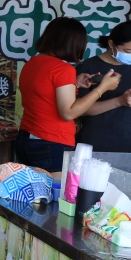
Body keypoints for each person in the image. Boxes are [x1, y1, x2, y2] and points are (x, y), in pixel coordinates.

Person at [16, 17, 120, 172]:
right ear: (73, 43)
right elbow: (68, 113)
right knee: (55, 188)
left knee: (32, 186)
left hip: (26, 139)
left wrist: (74, 84)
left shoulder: (32, 63)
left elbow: (44, 92)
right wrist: (102, 88)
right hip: (51, 143)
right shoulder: (63, 69)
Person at [76, 21, 131, 152]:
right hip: (97, 143)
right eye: (128, 51)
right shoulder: (87, 68)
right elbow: (79, 110)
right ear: (111, 44)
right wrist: (120, 101)